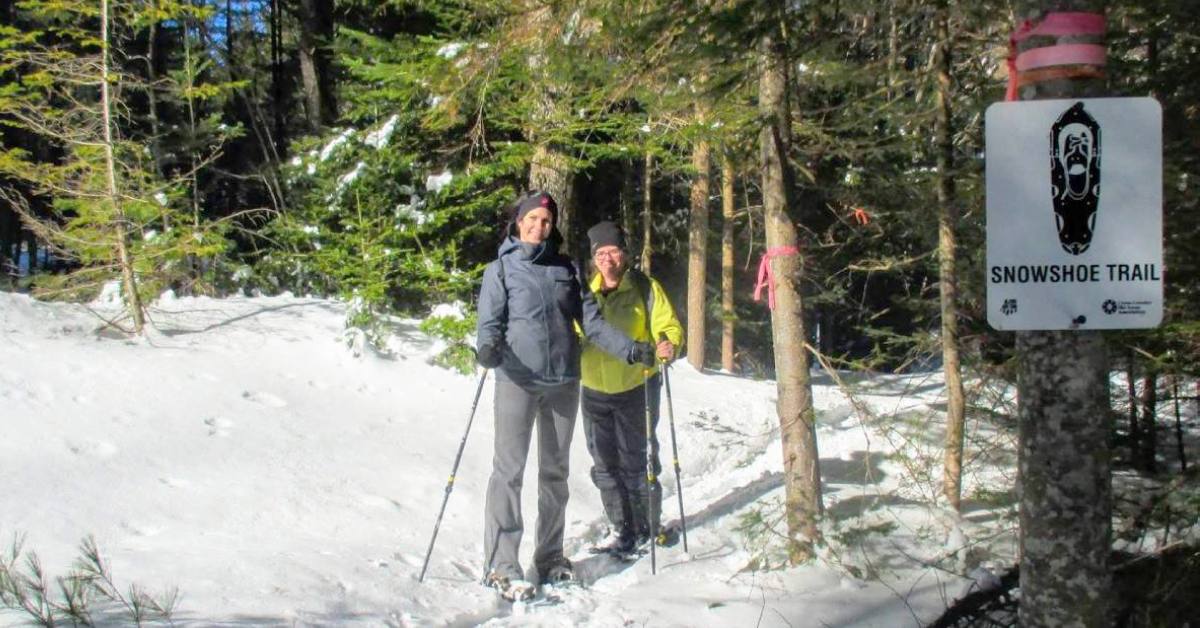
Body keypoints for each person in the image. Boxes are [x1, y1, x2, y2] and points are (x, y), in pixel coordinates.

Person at [475, 192, 655, 599]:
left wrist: (629, 347)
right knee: (509, 472)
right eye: (533, 219)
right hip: (517, 380)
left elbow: (591, 322)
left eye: (547, 220)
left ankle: (550, 558)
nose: (540, 226)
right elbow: (489, 323)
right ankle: (502, 566)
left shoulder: (567, 268)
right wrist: (487, 347)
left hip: (563, 382)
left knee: (555, 474)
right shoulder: (499, 270)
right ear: (518, 222)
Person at [579, 221, 683, 555]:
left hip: (636, 386)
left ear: (624, 254)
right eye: (600, 253)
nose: (607, 258)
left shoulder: (644, 288)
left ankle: (648, 525)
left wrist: (668, 344)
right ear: (593, 258)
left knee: (637, 459)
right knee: (604, 463)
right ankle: (620, 528)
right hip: (594, 390)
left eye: (613, 251)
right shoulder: (584, 291)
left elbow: (667, 327)